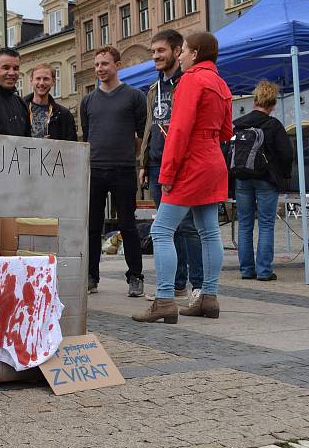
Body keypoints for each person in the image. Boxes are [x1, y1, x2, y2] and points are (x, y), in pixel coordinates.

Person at [133, 32, 233, 324]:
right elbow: (227, 130)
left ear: (196, 53)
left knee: (162, 230)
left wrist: (167, 172)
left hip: (191, 160)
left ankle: (164, 299)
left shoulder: (191, 79)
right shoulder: (220, 82)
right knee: (209, 231)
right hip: (213, 158)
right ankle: (208, 297)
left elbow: (178, 130)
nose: (181, 56)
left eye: (184, 51)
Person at [139, 30, 203, 305]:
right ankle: (176, 284)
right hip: (156, 164)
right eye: (153, 52)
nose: (155, 56)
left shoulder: (188, 83)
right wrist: (143, 162)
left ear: (177, 52)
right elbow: (149, 126)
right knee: (166, 229)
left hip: (182, 165)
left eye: (161, 51)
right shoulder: (154, 88)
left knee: (188, 226)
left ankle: (198, 286)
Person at [80, 46, 147, 297]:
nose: (100, 69)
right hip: (95, 169)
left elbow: (141, 133)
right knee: (92, 227)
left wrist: (132, 157)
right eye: (97, 64)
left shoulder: (134, 96)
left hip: (123, 168)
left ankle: (135, 277)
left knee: (128, 224)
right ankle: (90, 276)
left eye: (105, 64)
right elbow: (87, 136)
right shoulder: (88, 101)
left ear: (117, 65)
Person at [233, 80, 294, 281]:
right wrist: (284, 175)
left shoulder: (239, 123)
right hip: (266, 179)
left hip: (242, 177)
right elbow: (286, 154)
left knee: (244, 224)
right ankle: (264, 271)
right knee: (266, 224)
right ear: (272, 104)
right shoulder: (273, 125)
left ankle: (246, 270)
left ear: (255, 101)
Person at [23, 64, 77, 141]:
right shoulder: (20, 111)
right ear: (31, 81)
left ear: (53, 81)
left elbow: (72, 147)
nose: (41, 83)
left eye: (46, 79)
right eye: (38, 78)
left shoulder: (64, 115)